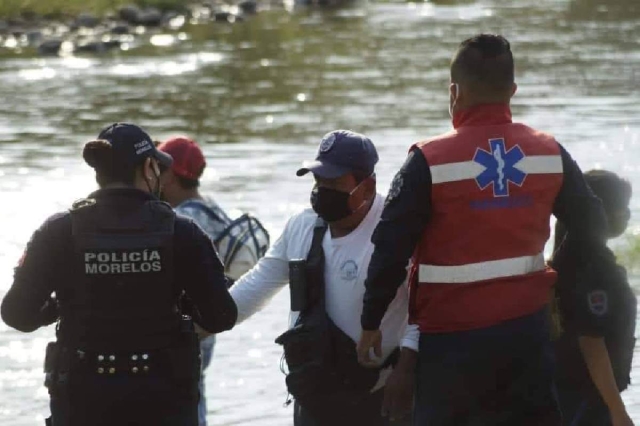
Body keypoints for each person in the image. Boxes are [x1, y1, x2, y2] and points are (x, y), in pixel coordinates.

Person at [356, 34, 612, 426]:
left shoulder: (428, 161)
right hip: (527, 336)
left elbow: (389, 251)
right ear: (512, 90)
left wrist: (371, 322)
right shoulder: (548, 154)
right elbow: (594, 225)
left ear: (454, 91)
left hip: (450, 345)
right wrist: (558, 281)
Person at [0, 123, 237, 426]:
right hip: (163, 400)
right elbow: (221, 317)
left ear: (98, 171)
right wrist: (180, 302)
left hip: (82, 400)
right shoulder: (181, 231)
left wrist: (58, 307)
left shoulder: (59, 230)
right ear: (149, 167)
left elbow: (17, 315)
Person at [228, 130, 419, 426]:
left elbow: (426, 308)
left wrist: (407, 371)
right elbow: (257, 285)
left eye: (333, 183)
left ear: (367, 187)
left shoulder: (396, 229)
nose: (322, 191)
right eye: (318, 181)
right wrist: (201, 321)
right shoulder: (301, 227)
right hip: (315, 394)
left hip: (380, 396)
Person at [157, 136, 234, 426]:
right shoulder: (210, 207)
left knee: (182, 398)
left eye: (159, 167)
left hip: (186, 326)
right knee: (195, 390)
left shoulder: (182, 220)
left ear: (171, 176)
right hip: (207, 323)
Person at [552, 170, 635, 426]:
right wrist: (617, 410)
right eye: (623, 207)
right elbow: (591, 341)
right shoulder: (593, 268)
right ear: (599, 212)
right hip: (587, 399)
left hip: (578, 395)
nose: (627, 215)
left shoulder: (570, 256)